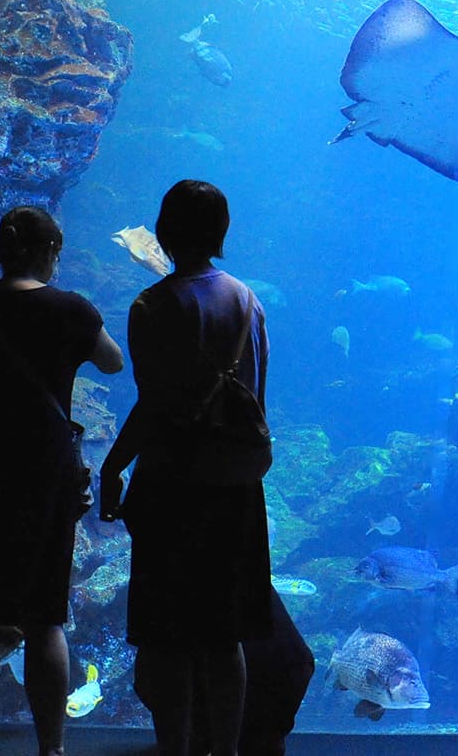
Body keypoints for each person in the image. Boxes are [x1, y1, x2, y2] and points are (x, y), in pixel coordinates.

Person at [0, 207, 123, 756]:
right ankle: (51, 748)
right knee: (44, 615)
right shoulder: (71, 309)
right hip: (41, 476)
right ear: (48, 250)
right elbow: (112, 362)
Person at [100, 180, 274, 756]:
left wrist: (112, 466)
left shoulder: (154, 306)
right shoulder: (249, 300)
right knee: (224, 637)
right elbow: (255, 396)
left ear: (165, 231)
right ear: (221, 233)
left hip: (174, 485)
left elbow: (153, 404)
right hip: (236, 487)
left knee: (168, 636)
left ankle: (174, 749)